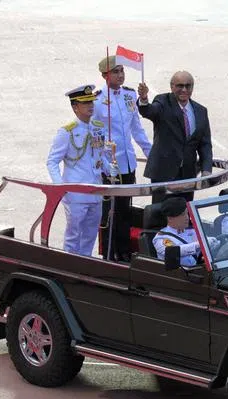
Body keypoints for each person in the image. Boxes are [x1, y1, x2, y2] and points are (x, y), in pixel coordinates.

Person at [94, 55, 152, 262]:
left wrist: (150, 153)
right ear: (105, 75)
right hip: (109, 164)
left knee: (125, 209)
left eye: (122, 71)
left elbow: (136, 128)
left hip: (127, 162)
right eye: (115, 72)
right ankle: (109, 252)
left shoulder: (129, 95)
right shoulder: (97, 100)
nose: (120, 75)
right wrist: (103, 162)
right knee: (110, 212)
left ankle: (124, 250)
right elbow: (95, 135)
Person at [46, 84, 115, 257]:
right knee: (73, 236)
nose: (90, 105)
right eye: (85, 103)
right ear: (75, 107)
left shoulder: (98, 127)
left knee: (90, 236)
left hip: (96, 191)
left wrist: (109, 168)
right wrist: (60, 186)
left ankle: (86, 264)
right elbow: (52, 161)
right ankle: (70, 266)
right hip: (75, 193)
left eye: (91, 102)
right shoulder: (67, 132)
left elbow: (99, 156)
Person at [136, 71, 213, 204]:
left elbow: (205, 144)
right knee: (161, 212)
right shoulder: (163, 101)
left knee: (185, 210)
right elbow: (149, 111)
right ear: (172, 86)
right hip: (164, 174)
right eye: (180, 86)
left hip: (188, 175)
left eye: (188, 86)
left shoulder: (201, 111)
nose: (184, 89)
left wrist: (206, 170)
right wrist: (143, 99)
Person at [152, 194, 228, 267]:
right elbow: (173, 251)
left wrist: (220, 241)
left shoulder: (192, 230)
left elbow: (208, 246)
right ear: (170, 218)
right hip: (179, 275)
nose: (187, 217)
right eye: (182, 215)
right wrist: (199, 244)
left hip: (200, 270)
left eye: (187, 213)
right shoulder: (161, 238)